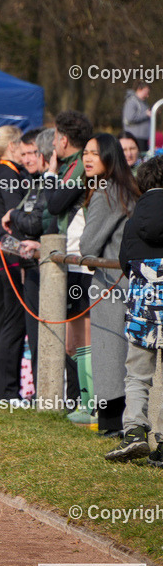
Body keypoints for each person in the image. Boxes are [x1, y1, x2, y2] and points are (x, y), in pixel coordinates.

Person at [80, 133, 140, 436]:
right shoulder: (128, 188)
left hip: (111, 285)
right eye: (85, 153)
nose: (87, 158)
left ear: (109, 157)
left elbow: (87, 245)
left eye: (94, 153)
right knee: (126, 356)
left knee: (108, 354)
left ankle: (110, 426)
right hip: (131, 284)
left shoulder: (105, 192)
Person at [107, 156, 163, 462]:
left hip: (143, 310)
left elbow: (125, 263)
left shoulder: (133, 221)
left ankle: (134, 432)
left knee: (138, 375)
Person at [45, 110, 95, 422]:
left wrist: (50, 173)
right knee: (72, 338)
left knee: (82, 337)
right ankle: (78, 403)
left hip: (82, 262)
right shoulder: (72, 166)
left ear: (63, 139)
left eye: (54, 137)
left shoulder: (78, 168)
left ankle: (87, 405)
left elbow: (53, 204)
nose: (52, 143)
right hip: (71, 260)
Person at [7, 128, 55, 385]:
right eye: (23, 153)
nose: (27, 159)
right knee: (35, 334)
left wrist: (14, 216)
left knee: (52, 334)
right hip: (31, 266)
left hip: (48, 266)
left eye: (32, 153)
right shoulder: (32, 181)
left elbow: (35, 222)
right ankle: (40, 393)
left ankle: (55, 396)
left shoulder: (47, 182)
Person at [0, 125, 27, 401]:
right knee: (14, 321)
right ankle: (7, 390)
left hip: (4, 252)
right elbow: (14, 218)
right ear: (12, 146)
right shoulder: (8, 174)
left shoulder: (1, 173)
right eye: (22, 144)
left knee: (4, 320)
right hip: (11, 253)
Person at [122, 82, 151, 152]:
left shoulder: (143, 103)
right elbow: (129, 118)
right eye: (146, 92)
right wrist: (146, 114)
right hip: (135, 137)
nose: (148, 96)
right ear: (140, 89)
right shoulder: (132, 102)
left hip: (143, 137)